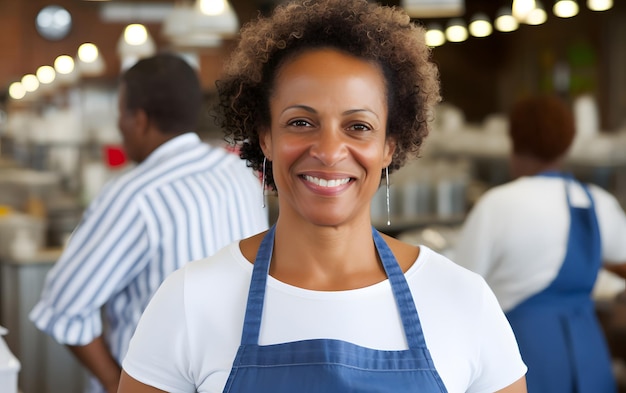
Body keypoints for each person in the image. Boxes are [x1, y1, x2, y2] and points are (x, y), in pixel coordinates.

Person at [118, 1, 527, 392]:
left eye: (359, 127)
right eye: (300, 122)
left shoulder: (463, 301)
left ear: (389, 145)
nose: (329, 151)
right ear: (266, 138)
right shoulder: (191, 298)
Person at [29, 53, 269, 393]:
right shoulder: (238, 172)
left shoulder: (135, 195)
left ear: (139, 120)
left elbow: (63, 310)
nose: (119, 126)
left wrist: (117, 385)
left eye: (120, 115)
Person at [453, 94, 626, 392]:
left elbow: (459, 288)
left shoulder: (497, 204)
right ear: (568, 143)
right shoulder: (597, 202)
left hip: (523, 355)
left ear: (514, 141)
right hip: (589, 354)